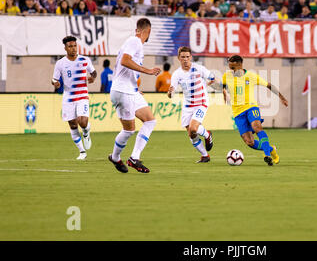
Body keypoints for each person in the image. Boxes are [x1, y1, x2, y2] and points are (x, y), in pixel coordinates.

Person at [108, 18, 161, 174]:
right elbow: (125, 61)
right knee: (129, 130)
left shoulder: (134, 43)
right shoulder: (135, 41)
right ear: (148, 31)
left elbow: (120, 66)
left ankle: (133, 158)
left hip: (129, 90)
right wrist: (148, 70)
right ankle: (117, 157)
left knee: (150, 120)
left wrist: (135, 87)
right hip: (123, 92)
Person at [221, 55, 288, 166]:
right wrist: (223, 93)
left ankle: (267, 155)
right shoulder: (226, 76)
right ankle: (271, 149)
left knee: (257, 127)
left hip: (251, 107)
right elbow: (222, 86)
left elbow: (269, 85)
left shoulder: (251, 76)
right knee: (249, 142)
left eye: (231, 65)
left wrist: (282, 98)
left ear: (239, 64)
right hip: (238, 112)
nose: (230, 67)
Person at [51, 36, 97, 160]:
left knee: (82, 121)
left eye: (75, 46)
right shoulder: (60, 63)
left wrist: (93, 77)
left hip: (82, 95)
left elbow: (94, 72)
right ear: (65, 48)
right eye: (70, 46)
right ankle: (82, 152)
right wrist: (55, 83)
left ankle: (86, 132)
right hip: (68, 98)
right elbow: (54, 79)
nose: (73, 49)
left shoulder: (84, 59)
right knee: (72, 124)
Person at [168, 47, 214, 163]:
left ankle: (207, 134)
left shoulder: (199, 68)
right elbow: (171, 93)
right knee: (191, 133)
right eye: (182, 57)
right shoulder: (177, 74)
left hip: (201, 103)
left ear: (191, 57)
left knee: (194, 128)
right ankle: (205, 156)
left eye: (187, 57)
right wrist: (169, 93)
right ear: (179, 58)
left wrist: (206, 85)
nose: (185, 59)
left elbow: (212, 77)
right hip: (188, 106)